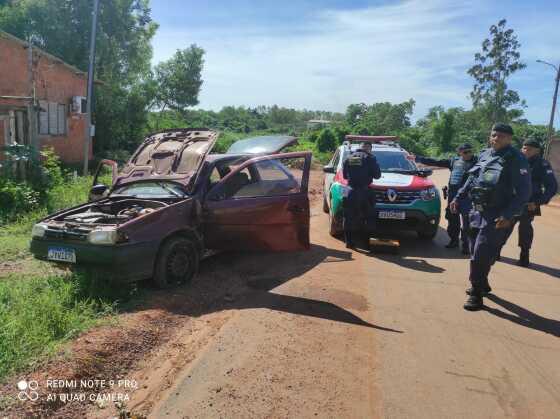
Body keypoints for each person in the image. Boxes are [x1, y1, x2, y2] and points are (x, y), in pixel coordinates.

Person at [450, 123, 531, 311]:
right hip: (476, 209)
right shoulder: (485, 154)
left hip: (497, 214)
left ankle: (476, 293)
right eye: (494, 135)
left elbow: (524, 192)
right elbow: (472, 178)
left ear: (510, 139)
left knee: (480, 252)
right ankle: (482, 280)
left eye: (502, 136)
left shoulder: (516, 159)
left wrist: (508, 214)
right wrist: (458, 197)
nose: (497, 138)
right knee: (473, 248)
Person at [497, 138, 558, 266]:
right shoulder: (516, 160)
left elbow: (552, 187)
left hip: (530, 203)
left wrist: (538, 202)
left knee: (525, 229)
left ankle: (524, 255)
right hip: (512, 201)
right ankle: (496, 251)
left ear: (537, 151)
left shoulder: (542, 164)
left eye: (528, 149)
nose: (525, 150)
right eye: (523, 147)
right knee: (504, 225)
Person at [414, 143, 478, 253]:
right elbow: (436, 162)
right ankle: (454, 241)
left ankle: (466, 245)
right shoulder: (454, 161)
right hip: (453, 195)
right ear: (459, 152)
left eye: (469, 151)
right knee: (452, 219)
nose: (468, 154)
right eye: (465, 152)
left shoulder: (477, 162)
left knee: (467, 222)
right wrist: (417, 158)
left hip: (467, 196)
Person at [342, 142, 382, 248]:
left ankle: (349, 242)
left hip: (349, 190)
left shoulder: (349, 157)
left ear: (359, 147)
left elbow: (345, 176)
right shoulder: (370, 158)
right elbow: (377, 175)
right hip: (364, 191)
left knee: (348, 217)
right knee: (368, 217)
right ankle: (366, 243)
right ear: (369, 149)